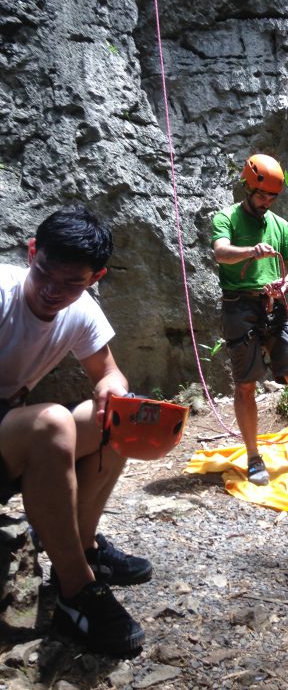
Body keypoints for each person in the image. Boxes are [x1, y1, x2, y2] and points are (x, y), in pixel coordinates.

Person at [0, 206, 150, 654]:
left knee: (115, 417)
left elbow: (109, 373)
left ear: (95, 276)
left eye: (72, 283)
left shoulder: (81, 310)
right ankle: (75, 589)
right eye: (45, 273)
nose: (53, 291)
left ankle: (83, 548)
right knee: (52, 422)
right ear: (32, 252)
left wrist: (111, 389)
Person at [211, 154, 288, 485]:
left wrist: (285, 284)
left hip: (274, 305)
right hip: (239, 306)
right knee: (246, 384)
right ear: (246, 187)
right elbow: (221, 252)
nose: (266, 202)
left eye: (272, 197)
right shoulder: (227, 218)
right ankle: (253, 457)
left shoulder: (280, 225)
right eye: (261, 195)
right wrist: (251, 251)